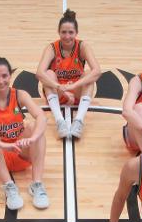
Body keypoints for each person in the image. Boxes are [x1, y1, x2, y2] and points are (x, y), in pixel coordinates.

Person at [0, 57, 49, 210]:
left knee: (36, 128)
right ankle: (9, 187)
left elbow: (42, 116)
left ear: (10, 75)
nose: (1, 81)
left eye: (4, 76)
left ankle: (37, 185)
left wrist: (32, 138)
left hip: (19, 152)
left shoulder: (20, 95)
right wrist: (2, 145)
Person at [36, 9, 101, 139]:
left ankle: (79, 121)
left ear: (76, 33)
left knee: (89, 74)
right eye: (63, 32)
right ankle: (60, 121)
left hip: (76, 92)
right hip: (57, 93)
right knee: (48, 73)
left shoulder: (82, 46)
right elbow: (39, 73)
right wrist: (60, 87)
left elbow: (97, 71)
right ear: (58, 32)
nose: (67, 36)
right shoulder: (52, 48)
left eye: (71, 32)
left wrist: (74, 86)